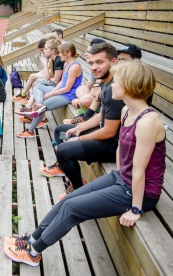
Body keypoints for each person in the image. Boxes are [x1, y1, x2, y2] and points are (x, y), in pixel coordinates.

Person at [3, 60, 165, 267]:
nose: (111, 85)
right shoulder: (126, 112)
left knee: (72, 208)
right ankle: (32, 238)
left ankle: (34, 252)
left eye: (117, 81)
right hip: (123, 179)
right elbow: (122, 152)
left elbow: (140, 171)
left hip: (139, 192)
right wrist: (116, 177)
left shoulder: (148, 122)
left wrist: (135, 209)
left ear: (129, 85)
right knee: (66, 200)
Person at [41, 43, 124, 200]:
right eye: (91, 63)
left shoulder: (115, 89)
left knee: (64, 150)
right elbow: (102, 116)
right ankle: (71, 175)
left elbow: (109, 131)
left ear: (113, 62)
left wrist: (79, 137)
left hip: (114, 145)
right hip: (105, 133)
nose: (93, 67)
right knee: (61, 130)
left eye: (100, 62)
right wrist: (80, 127)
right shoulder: (107, 83)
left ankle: (78, 190)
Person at [17, 42, 82, 138]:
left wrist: (51, 94)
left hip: (68, 95)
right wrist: (52, 91)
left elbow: (67, 88)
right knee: (37, 86)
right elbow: (61, 83)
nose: (59, 55)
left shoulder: (74, 67)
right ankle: (38, 104)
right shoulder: (67, 64)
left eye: (61, 53)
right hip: (61, 91)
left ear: (68, 53)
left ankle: (30, 131)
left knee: (43, 107)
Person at [11, 35, 57, 102]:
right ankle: (30, 99)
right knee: (33, 81)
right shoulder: (50, 58)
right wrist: (37, 75)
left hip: (52, 78)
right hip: (50, 76)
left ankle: (23, 95)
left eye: (43, 50)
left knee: (32, 77)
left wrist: (35, 76)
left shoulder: (53, 58)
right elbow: (45, 70)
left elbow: (50, 74)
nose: (42, 52)